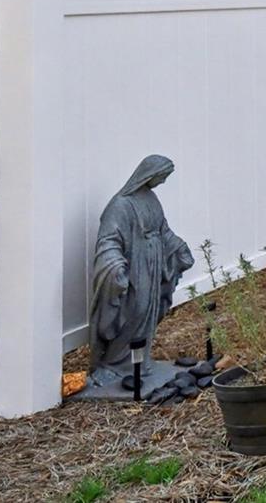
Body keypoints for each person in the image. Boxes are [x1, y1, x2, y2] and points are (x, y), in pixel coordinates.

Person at [87, 154, 195, 391]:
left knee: (148, 311)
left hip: (153, 264)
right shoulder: (120, 205)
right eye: (162, 177)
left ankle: (139, 362)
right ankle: (115, 362)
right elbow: (108, 240)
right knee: (135, 310)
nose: (163, 182)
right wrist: (114, 266)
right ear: (149, 174)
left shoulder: (151, 198)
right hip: (135, 267)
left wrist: (178, 247)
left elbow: (163, 230)